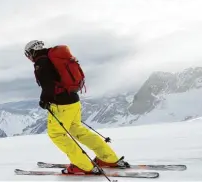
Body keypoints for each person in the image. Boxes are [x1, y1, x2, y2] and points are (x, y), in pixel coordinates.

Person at [24, 40, 130, 175]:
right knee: (77, 130)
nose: (29, 58)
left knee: (57, 134)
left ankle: (83, 165)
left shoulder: (41, 62)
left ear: (32, 52)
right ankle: (108, 158)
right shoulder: (56, 58)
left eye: (28, 55)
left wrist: (44, 100)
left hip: (61, 104)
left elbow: (48, 85)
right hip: (73, 100)